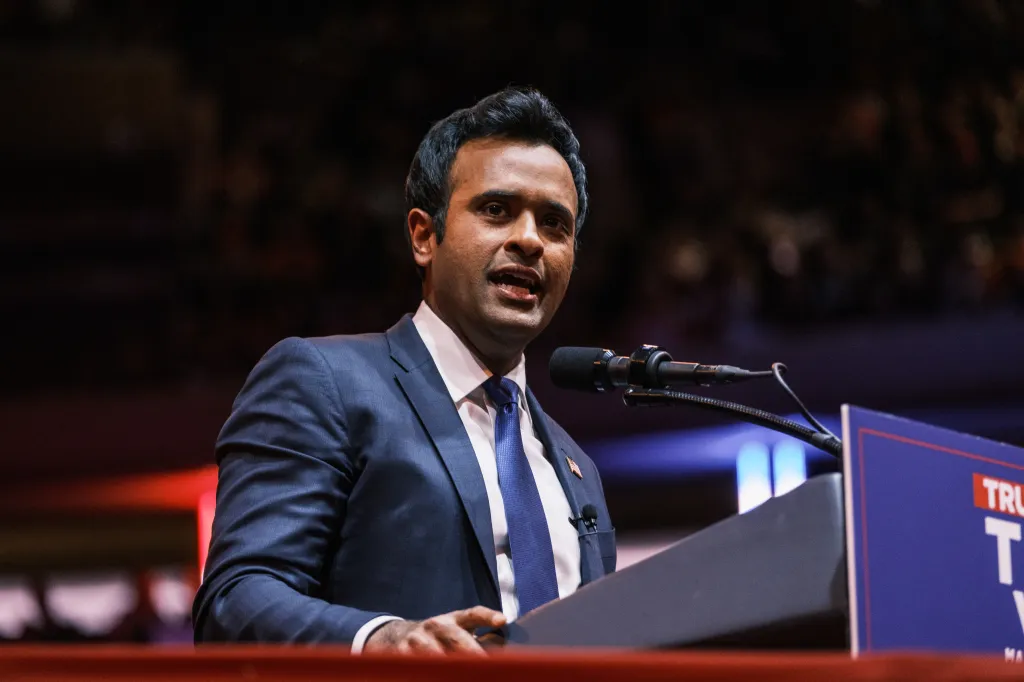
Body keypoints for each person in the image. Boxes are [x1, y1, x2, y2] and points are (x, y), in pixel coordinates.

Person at [192, 87, 616, 654]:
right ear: (423, 235)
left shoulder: (576, 466)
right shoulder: (324, 382)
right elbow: (236, 600)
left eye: (555, 224)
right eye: (496, 210)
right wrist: (381, 641)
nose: (529, 240)